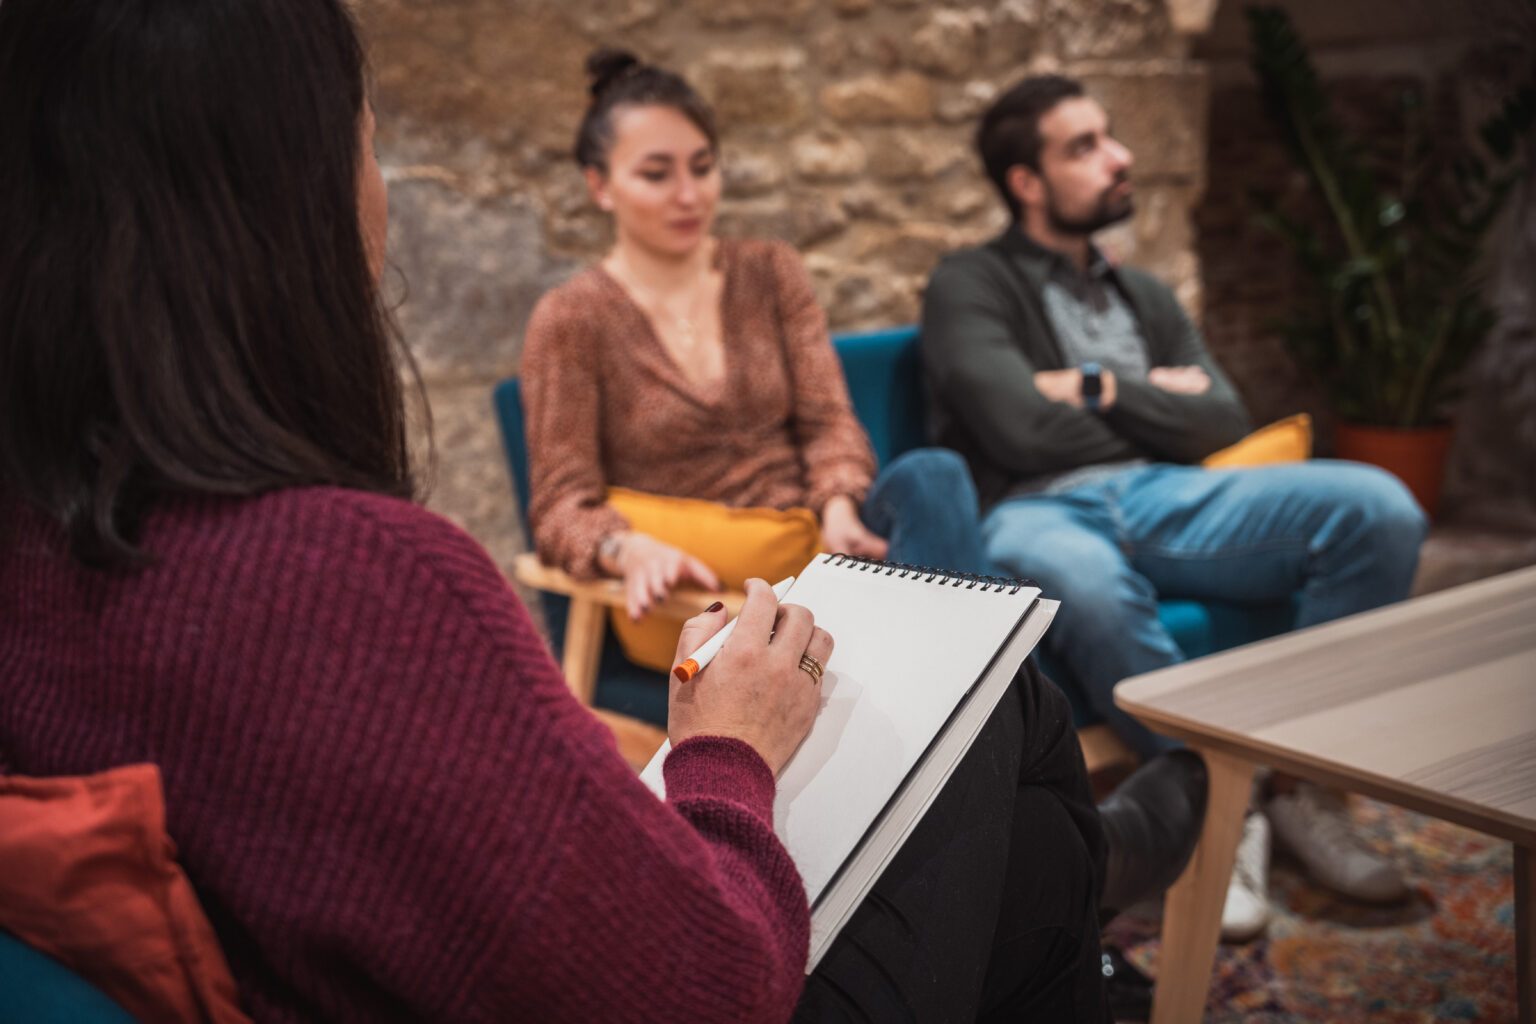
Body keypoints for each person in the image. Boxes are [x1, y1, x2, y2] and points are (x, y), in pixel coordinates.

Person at [0, 11, 1194, 1022]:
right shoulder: (527, 372)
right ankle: (1101, 884)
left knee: (929, 503)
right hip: (689, 600)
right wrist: (707, 711)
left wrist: (836, 494)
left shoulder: (771, 273)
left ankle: (1078, 899)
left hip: (812, 551)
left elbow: (835, 426)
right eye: (659, 170)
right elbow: (706, 975)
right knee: (998, 712)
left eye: (703, 165)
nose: (690, 191)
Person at [920, 74, 1430, 939]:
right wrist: (1158, 401)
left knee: (1380, 508)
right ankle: (1219, 811)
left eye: (1109, 135)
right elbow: (1014, 430)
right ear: (1026, 183)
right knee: (1078, 577)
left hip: (1170, 495)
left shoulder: (1144, 294)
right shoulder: (970, 283)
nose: (1119, 157)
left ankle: (1303, 792)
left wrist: (1097, 384)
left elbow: (1223, 419)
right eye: (1084, 146)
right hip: (1037, 508)